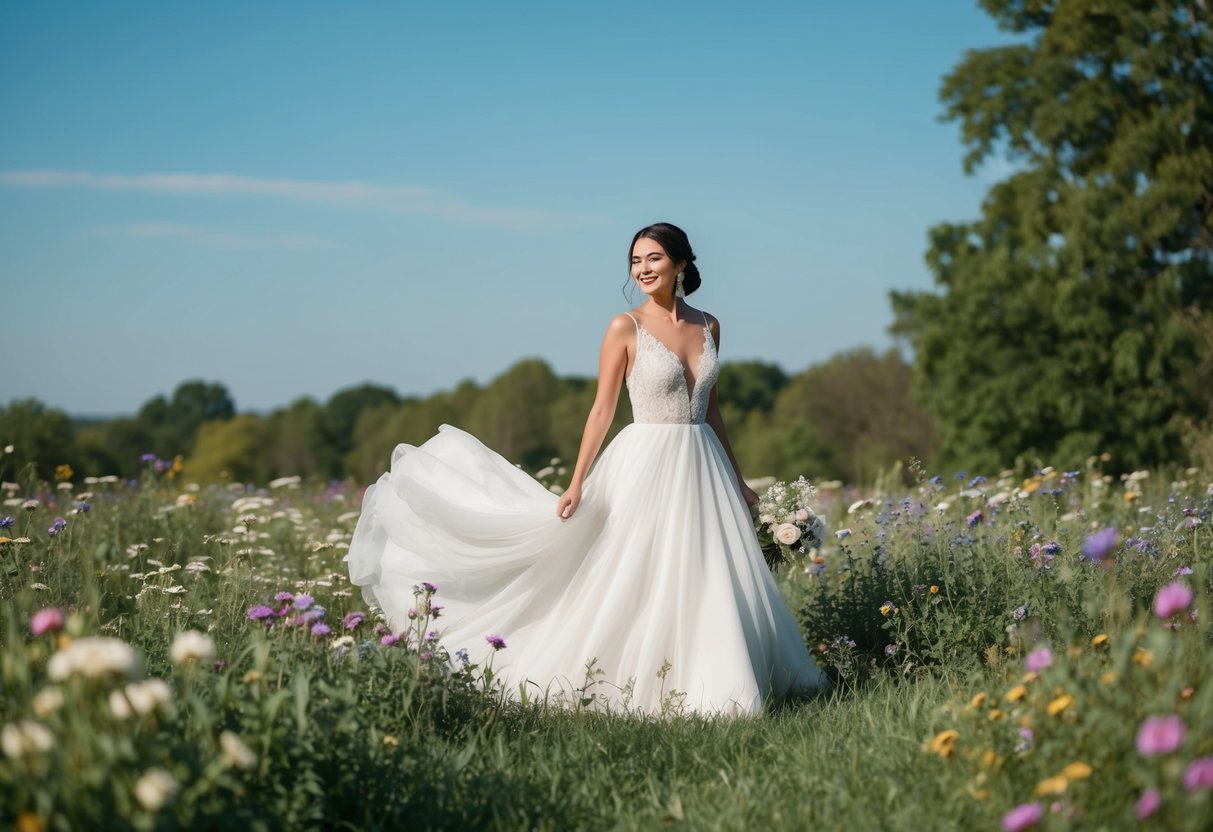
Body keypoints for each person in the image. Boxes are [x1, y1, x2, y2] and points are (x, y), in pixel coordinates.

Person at [345, 222, 828, 715]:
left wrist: (739, 480)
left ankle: (721, 678)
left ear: (681, 264)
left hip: (702, 462)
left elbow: (713, 410)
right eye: (636, 261)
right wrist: (576, 481)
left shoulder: (710, 326)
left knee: (708, 569)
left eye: (654, 259)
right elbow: (602, 409)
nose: (642, 269)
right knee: (636, 569)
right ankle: (636, 678)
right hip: (645, 461)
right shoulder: (625, 326)